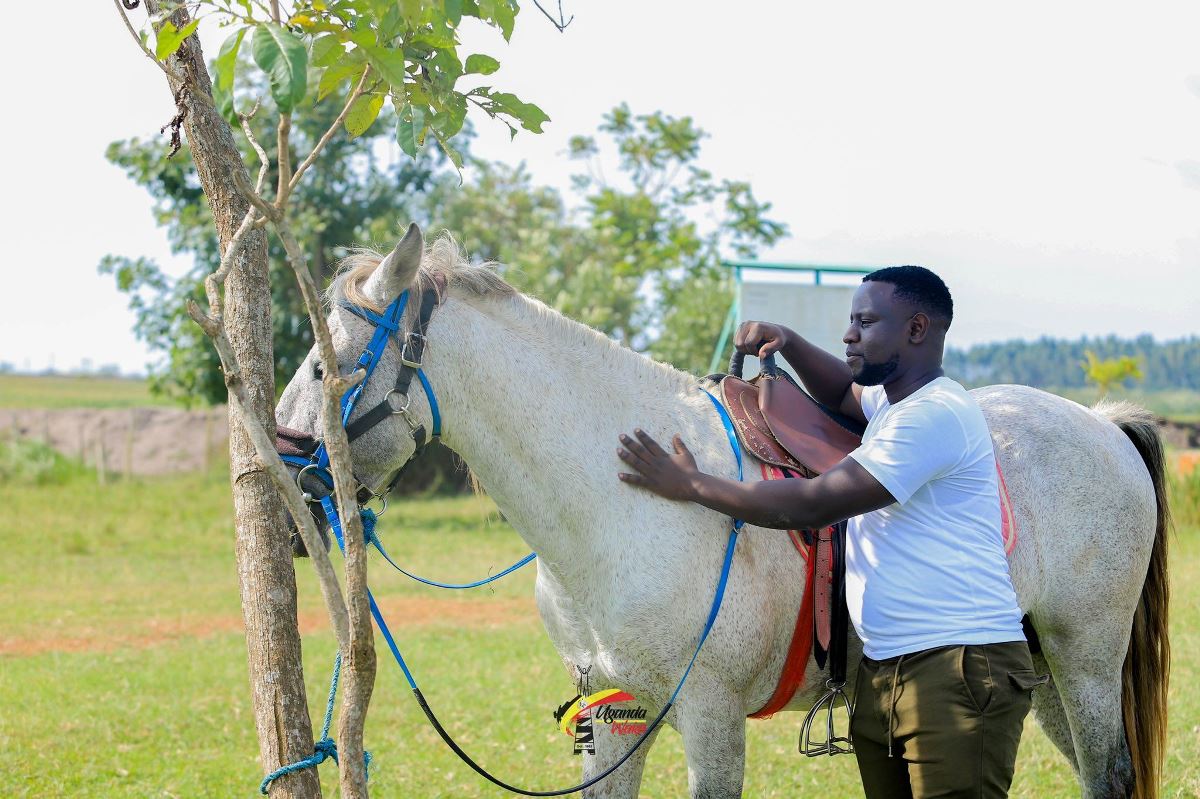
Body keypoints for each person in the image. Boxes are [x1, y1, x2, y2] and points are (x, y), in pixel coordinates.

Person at [615, 266, 1037, 799]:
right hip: (889, 667)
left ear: (916, 328)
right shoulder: (895, 402)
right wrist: (788, 343)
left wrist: (694, 484)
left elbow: (814, 503)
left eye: (866, 321)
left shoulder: (933, 417)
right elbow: (843, 394)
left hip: (955, 667)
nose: (849, 334)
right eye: (850, 320)